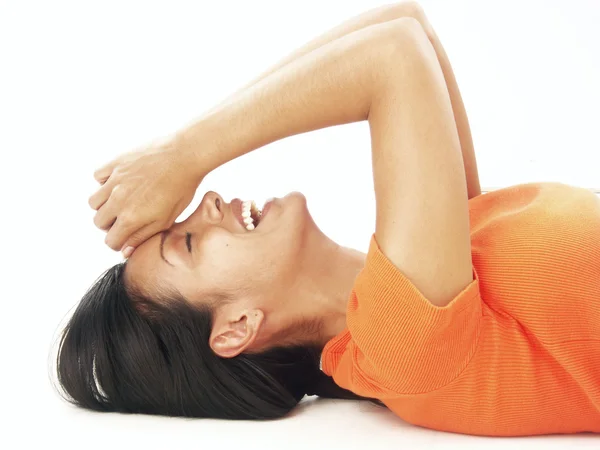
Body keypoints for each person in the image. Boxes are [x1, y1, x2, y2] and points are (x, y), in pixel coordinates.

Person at [55, 2, 600, 436]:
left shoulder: (449, 264)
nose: (209, 200)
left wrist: (180, 155)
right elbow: (393, 56)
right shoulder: (401, 348)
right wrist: (185, 153)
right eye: (190, 244)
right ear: (238, 327)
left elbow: (404, 20)